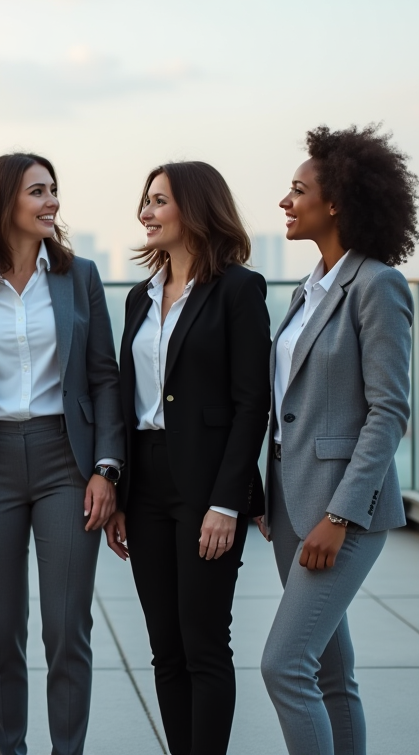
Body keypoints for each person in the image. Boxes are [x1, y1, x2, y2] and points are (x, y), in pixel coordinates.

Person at [0, 152, 124, 755]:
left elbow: (104, 378)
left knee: (68, 630)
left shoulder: (80, 276)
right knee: (2, 631)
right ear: (3, 204)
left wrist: (105, 469)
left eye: (54, 190)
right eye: (38, 192)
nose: (52, 202)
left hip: (67, 462)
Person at [258, 124, 418, 755]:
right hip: (293, 505)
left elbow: (388, 413)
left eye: (298, 191)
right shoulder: (309, 289)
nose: (285, 202)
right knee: (327, 672)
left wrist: (339, 515)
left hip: (340, 514)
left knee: (284, 666)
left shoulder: (377, 285)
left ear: (337, 204)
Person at [104, 161, 271, 754]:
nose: (145, 213)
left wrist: (229, 501)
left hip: (207, 483)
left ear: (195, 209)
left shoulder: (239, 289)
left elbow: (253, 405)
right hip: (146, 481)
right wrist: (120, 496)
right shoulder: (137, 300)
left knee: (204, 642)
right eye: (144, 202)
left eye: (158, 201)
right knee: (166, 647)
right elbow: (127, 403)